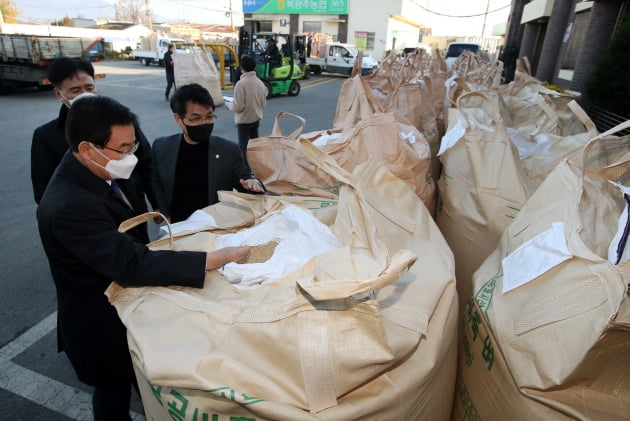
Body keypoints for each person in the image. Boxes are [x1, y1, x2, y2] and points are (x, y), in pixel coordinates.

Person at [36, 95, 251, 420]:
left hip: (130, 307)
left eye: (133, 146)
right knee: (112, 394)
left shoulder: (101, 167)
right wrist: (211, 259)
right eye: (122, 150)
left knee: (144, 381)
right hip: (100, 323)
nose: (130, 158)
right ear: (86, 148)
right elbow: (130, 263)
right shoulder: (68, 206)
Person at [30, 57, 157, 209]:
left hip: (132, 206)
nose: (85, 94)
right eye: (75, 90)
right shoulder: (46, 136)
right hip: (89, 213)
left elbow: (145, 161)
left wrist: (157, 202)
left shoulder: (121, 120)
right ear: (59, 94)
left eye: (89, 88)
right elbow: (44, 190)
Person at [152, 83, 266, 223]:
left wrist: (253, 183)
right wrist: (160, 208)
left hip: (215, 228)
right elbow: (155, 182)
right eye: (196, 118)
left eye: (209, 117)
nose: (204, 123)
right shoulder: (162, 147)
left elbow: (245, 181)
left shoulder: (228, 150)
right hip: (177, 228)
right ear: (178, 119)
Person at [226, 54, 267, 175]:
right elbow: (263, 103)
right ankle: (257, 169)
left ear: (241, 67)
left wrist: (228, 105)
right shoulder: (260, 83)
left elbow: (238, 106)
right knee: (255, 146)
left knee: (243, 148)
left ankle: (246, 172)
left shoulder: (241, 84)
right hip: (256, 119)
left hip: (244, 121)